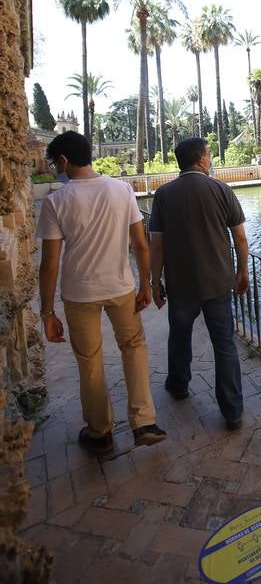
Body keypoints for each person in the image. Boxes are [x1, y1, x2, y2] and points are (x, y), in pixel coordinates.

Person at [37, 131, 166, 455]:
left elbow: (50, 265)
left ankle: (100, 432)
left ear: (64, 160)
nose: (55, 168)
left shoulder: (56, 201)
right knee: (134, 347)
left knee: (90, 361)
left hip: (79, 294)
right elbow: (140, 243)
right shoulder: (121, 190)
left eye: (54, 162)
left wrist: (47, 312)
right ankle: (144, 423)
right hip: (121, 288)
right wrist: (146, 285)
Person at [149, 137, 249, 430]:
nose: (210, 159)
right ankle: (232, 411)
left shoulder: (163, 194)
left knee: (179, 337)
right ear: (202, 159)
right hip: (218, 282)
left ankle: (179, 385)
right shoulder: (221, 189)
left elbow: (156, 245)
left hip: (181, 285)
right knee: (225, 344)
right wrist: (242, 271)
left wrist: (155, 282)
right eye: (209, 154)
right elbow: (240, 237)